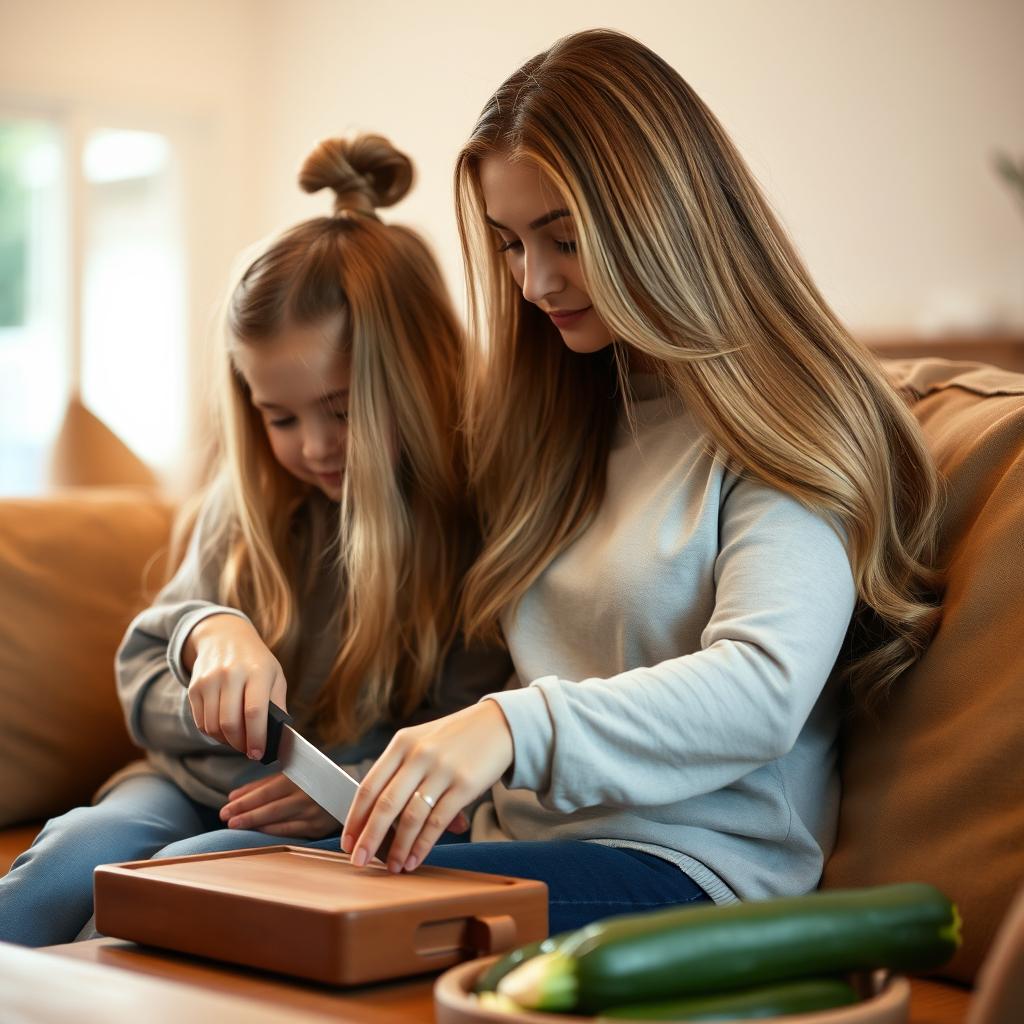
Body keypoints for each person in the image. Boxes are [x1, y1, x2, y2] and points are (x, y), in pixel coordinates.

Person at [332, 29, 943, 933]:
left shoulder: (787, 419)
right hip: (528, 846)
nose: (534, 282)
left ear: (661, 217)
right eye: (508, 244)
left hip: (692, 874)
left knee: (233, 890)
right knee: (204, 869)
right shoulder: (568, 412)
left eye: (565, 238)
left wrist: (512, 729)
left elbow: (763, 686)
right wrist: (394, 784)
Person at [0, 133, 509, 947]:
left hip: (339, 816)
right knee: (71, 864)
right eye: (280, 417)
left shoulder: (479, 529)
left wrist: (353, 784)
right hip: (180, 781)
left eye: (341, 409)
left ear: (420, 375)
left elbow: (469, 730)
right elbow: (142, 681)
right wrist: (208, 637)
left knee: (195, 880)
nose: (313, 446)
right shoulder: (249, 506)